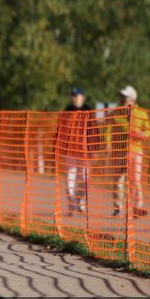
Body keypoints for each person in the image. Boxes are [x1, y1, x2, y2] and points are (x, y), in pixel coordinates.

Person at [110, 85, 150, 218]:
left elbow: (149, 132)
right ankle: (118, 207)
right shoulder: (115, 112)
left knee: (136, 180)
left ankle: (138, 207)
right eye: (121, 96)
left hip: (136, 151)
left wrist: (140, 133)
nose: (122, 99)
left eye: (125, 96)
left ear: (132, 98)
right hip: (119, 151)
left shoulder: (141, 113)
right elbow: (107, 129)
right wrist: (107, 144)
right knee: (118, 180)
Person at [57, 88, 92, 216]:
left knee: (85, 179)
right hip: (69, 150)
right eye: (72, 95)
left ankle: (78, 201)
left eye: (76, 96)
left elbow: (95, 131)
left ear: (82, 97)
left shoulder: (89, 110)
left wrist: (95, 148)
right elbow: (60, 130)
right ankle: (72, 204)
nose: (73, 98)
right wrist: (58, 147)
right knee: (69, 180)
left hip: (84, 151)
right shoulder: (67, 110)